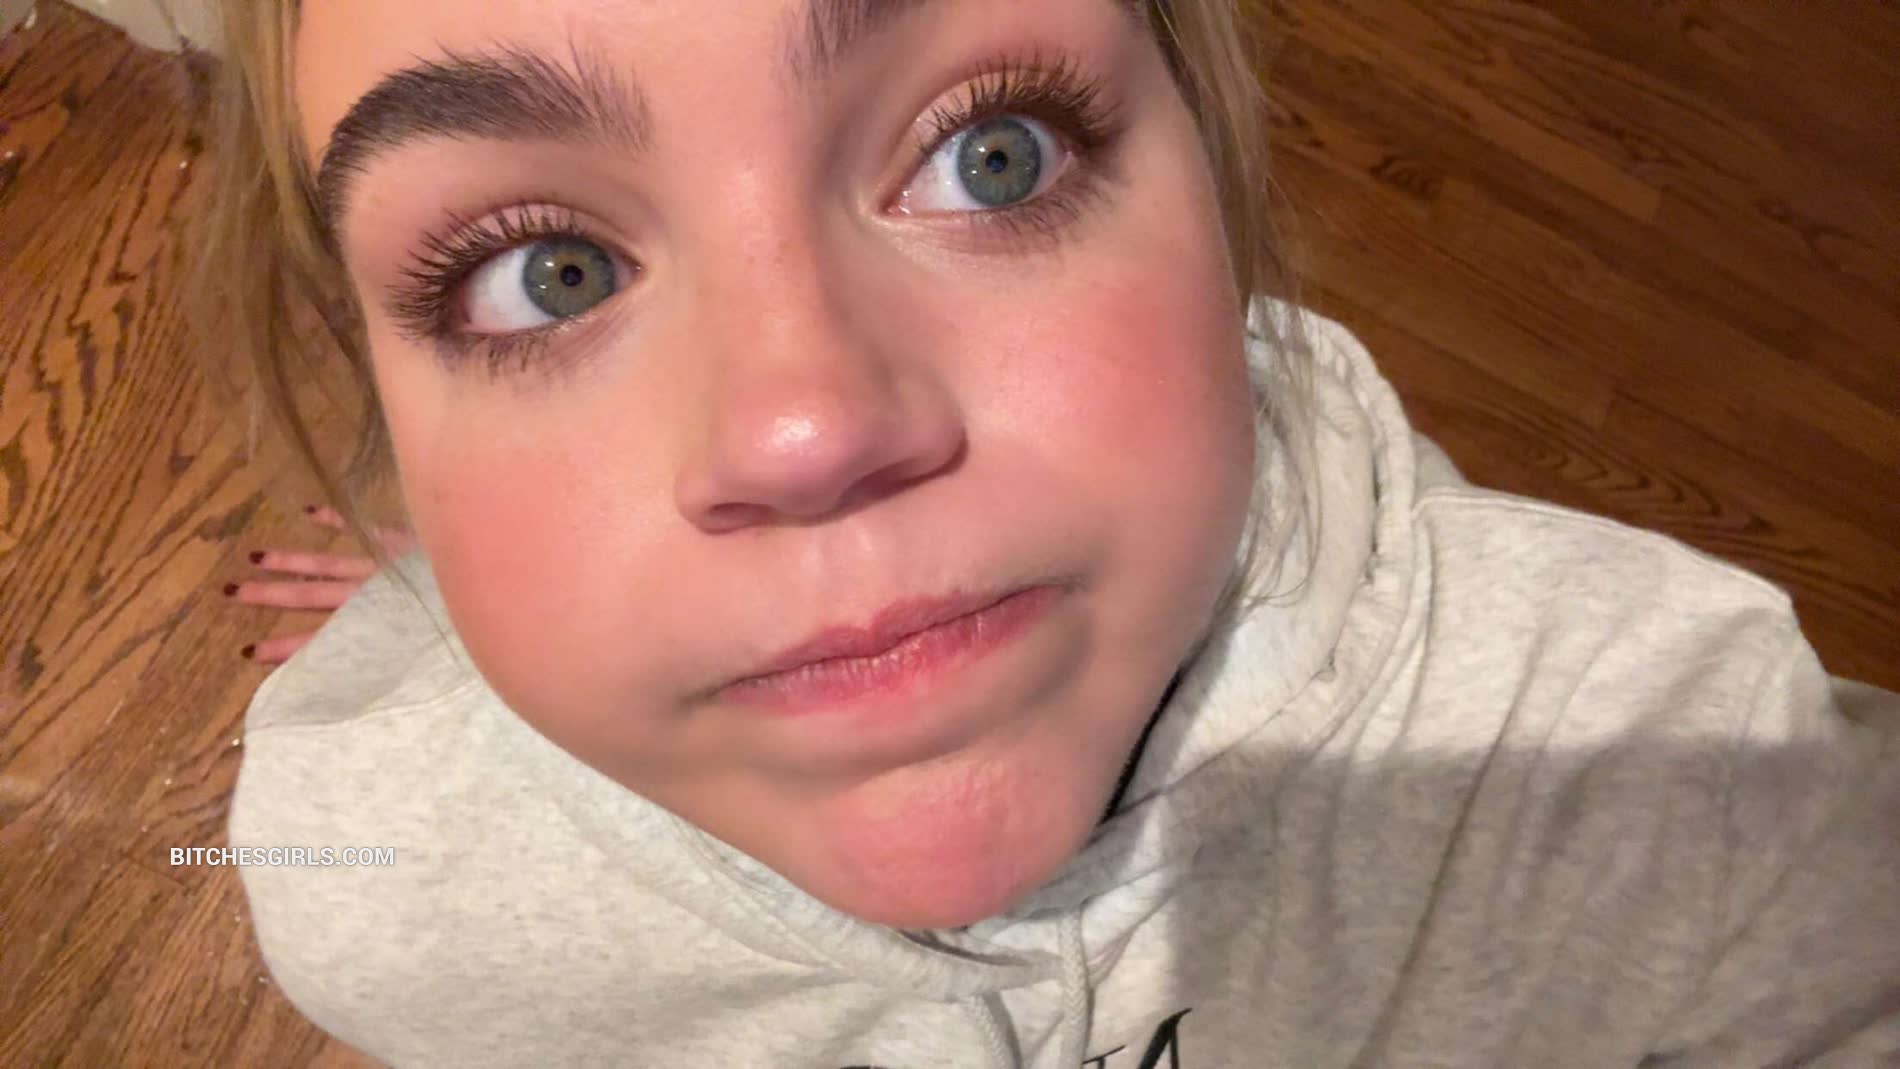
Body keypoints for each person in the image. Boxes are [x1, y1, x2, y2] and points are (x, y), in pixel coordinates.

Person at [201, 1, 1900, 1066]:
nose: (804, 429)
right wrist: (441, 617)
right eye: (544, 279)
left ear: (1215, 182)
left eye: (989, 157)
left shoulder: (1670, 763)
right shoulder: (367, 875)